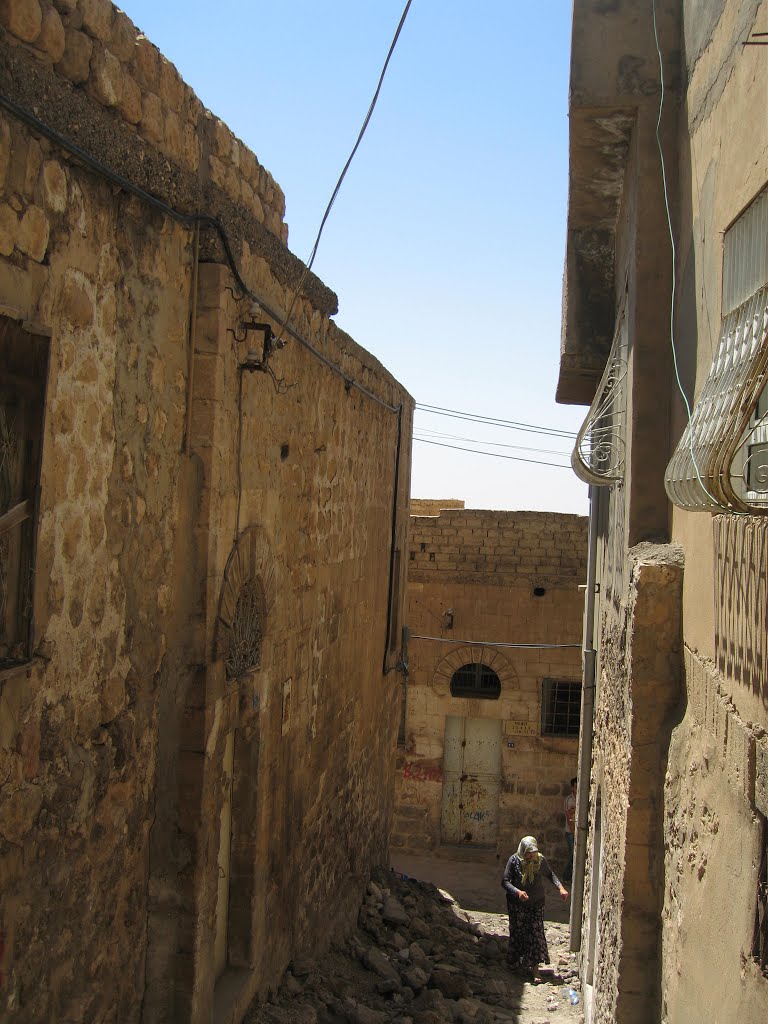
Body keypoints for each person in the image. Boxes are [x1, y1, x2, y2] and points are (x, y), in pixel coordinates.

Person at [501, 835, 568, 981]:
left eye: (532, 852)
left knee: (535, 934)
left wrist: (560, 888)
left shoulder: (540, 861)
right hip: (517, 905)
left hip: (536, 903)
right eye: (527, 852)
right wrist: (517, 892)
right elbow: (505, 882)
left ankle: (535, 970)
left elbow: (550, 874)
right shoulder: (514, 861)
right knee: (518, 932)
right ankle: (515, 962)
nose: (530, 855)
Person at [563, 777, 577, 883]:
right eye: (575, 787)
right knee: (573, 854)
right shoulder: (569, 800)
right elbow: (569, 817)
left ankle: (569, 877)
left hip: (576, 832)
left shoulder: (582, 798)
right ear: (572, 787)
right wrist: (573, 832)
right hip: (570, 832)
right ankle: (567, 877)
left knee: (574, 855)